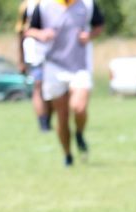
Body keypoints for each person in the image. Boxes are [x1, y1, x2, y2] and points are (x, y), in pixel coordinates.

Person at [24, 0, 105, 166]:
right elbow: (29, 30)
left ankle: (80, 133)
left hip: (80, 65)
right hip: (54, 66)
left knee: (79, 107)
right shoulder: (44, 5)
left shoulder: (87, 4)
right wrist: (42, 35)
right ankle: (67, 155)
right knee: (62, 117)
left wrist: (89, 36)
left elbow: (99, 26)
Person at [16, 0, 52, 132]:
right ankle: (43, 124)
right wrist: (20, 59)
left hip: (57, 53)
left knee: (53, 89)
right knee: (38, 86)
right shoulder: (27, 5)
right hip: (35, 53)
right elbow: (21, 33)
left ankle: (48, 118)